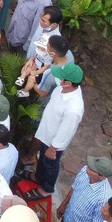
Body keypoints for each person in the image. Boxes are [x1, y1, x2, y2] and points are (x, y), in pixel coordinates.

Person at [32, 63, 85, 197]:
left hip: (54, 141)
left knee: (51, 165)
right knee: (42, 158)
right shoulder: (60, 89)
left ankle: (47, 188)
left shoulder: (74, 108)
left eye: (61, 77)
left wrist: (54, 148)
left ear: (68, 83)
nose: (58, 78)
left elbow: (66, 131)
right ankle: (38, 177)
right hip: (47, 132)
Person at [53, 156, 112, 222]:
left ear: (102, 177)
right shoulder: (85, 171)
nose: (87, 168)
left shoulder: (104, 197)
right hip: (68, 218)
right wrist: (63, 204)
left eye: (92, 169)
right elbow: (74, 187)